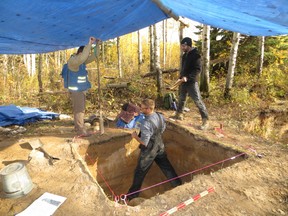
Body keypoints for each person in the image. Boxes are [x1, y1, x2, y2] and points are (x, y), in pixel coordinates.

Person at [127, 99, 182, 201]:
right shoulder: (159, 116)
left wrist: (135, 136)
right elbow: (162, 129)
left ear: (148, 109)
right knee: (166, 167)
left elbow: (144, 142)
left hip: (149, 150)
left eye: (142, 108)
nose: (140, 109)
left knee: (139, 172)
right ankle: (178, 185)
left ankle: (131, 196)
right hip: (159, 145)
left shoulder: (146, 123)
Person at [172, 37, 209, 130]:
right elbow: (184, 68)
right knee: (181, 98)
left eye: (183, 46)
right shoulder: (185, 55)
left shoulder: (196, 55)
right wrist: (181, 77)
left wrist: (188, 77)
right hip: (183, 81)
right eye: (181, 46)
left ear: (188, 45)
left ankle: (205, 120)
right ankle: (179, 114)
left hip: (191, 82)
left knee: (198, 101)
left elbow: (197, 70)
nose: (182, 47)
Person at [66, 36, 98, 136]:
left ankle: (78, 128)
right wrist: (90, 44)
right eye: (85, 53)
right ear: (80, 53)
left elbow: (95, 56)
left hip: (81, 90)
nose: (86, 56)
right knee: (79, 110)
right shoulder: (74, 62)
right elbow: (84, 57)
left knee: (80, 109)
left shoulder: (81, 61)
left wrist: (97, 45)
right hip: (77, 91)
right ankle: (80, 131)